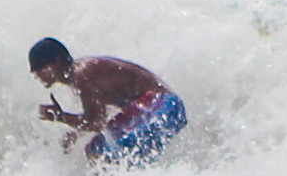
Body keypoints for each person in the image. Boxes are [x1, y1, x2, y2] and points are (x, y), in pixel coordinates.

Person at [29, 37, 187, 165]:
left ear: (58, 61)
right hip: (160, 108)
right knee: (102, 150)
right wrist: (77, 134)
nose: (38, 76)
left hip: (163, 104)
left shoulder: (82, 74)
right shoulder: (80, 76)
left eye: (41, 69)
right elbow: (100, 118)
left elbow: (96, 122)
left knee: (98, 152)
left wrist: (60, 117)